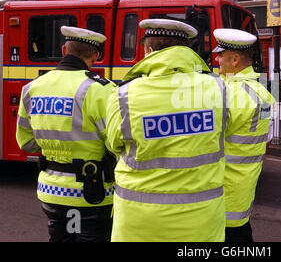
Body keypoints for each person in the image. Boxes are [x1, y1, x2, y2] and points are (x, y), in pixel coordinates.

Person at [106, 19, 228, 242]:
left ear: (150, 51)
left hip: (140, 221)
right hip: (201, 220)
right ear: (185, 50)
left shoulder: (123, 95)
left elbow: (113, 144)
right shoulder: (218, 88)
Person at [16, 26, 116, 242]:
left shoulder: (32, 87)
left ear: (64, 50)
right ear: (96, 56)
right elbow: (114, 143)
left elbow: (27, 144)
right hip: (93, 192)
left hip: (50, 190)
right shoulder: (101, 89)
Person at [213, 28, 275, 242]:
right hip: (244, 188)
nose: (217, 58)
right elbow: (266, 138)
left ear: (235, 59)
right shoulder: (264, 93)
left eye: (221, 54)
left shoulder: (227, 94)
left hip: (221, 190)